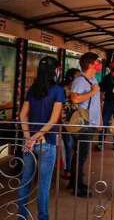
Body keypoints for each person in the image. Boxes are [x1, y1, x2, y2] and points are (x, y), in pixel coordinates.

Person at [18, 56, 65, 220]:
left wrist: (28, 137)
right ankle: (42, 218)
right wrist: (36, 137)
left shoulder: (32, 89)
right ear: (55, 70)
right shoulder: (59, 90)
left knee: (25, 182)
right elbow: (53, 120)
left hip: (29, 144)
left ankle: (21, 217)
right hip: (47, 143)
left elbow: (22, 114)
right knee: (43, 186)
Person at [68, 52, 102, 198]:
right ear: (90, 64)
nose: (99, 64)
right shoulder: (80, 81)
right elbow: (74, 99)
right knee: (81, 155)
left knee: (81, 155)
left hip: (91, 123)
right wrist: (92, 92)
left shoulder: (93, 79)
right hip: (83, 123)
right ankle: (77, 186)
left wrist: (100, 120)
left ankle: (75, 182)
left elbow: (96, 103)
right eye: (97, 62)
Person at [61, 68, 81, 180]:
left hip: (77, 121)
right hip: (66, 121)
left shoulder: (78, 88)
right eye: (77, 76)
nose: (79, 79)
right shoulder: (63, 89)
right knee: (68, 146)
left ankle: (73, 170)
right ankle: (68, 169)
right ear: (70, 77)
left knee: (75, 146)